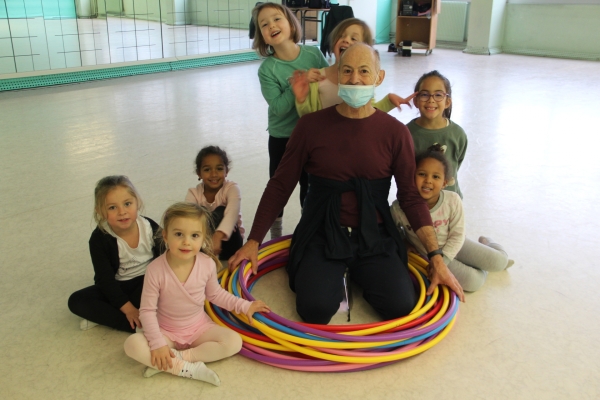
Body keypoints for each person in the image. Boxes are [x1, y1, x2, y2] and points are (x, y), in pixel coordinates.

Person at [229, 44, 464, 325]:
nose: (354, 79)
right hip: (322, 230)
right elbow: (281, 184)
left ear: (378, 77)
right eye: (347, 71)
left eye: (364, 71)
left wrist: (436, 256)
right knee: (314, 310)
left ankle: (358, 272)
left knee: (400, 306)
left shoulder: (395, 133)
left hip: (374, 233)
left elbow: (411, 198)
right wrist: (254, 240)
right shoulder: (310, 126)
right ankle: (336, 273)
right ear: (337, 75)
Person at [123, 202, 270, 386]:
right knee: (132, 345)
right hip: (166, 331)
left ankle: (174, 360)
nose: (186, 242)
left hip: (198, 328)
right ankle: (187, 369)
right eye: (178, 234)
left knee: (233, 342)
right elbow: (147, 311)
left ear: (203, 239)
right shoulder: (155, 269)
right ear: (165, 236)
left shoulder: (207, 264)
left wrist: (245, 305)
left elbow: (216, 295)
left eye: (194, 236)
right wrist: (158, 344)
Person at [391, 145, 514, 292]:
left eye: (435, 177)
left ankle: (488, 243)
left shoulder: (452, 200)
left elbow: (458, 235)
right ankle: (481, 268)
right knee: (473, 283)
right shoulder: (398, 209)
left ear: (444, 183)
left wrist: (444, 261)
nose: (428, 181)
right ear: (412, 177)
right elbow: (392, 230)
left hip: (456, 245)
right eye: (422, 174)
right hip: (428, 254)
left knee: (500, 262)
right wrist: (404, 241)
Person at [253, 2, 329, 238]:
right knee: (280, 187)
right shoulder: (268, 69)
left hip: (313, 136)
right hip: (283, 139)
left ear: (290, 23)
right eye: (264, 24)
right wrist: (298, 86)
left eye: (277, 19)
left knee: (311, 187)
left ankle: (310, 231)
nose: (272, 26)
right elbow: (277, 108)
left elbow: (329, 87)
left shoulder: (313, 54)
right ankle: (276, 233)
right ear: (262, 36)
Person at [68, 175, 161, 332]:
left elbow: (169, 257)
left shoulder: (148, 226)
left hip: (151, 282)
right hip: (120, 286)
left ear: (137, 202)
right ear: (100, 211)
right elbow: (105, 280)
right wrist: (128, 309)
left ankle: (108, 316)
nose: (122, 212)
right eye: (112, 207)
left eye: (127, 204)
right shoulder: (99, 239)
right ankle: (138, 325)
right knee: (76, 301)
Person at [291, 18, 415, 117]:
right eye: (341, 36)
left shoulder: (363, 82)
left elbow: (368, 114)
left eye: (353, 38)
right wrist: (301, 100)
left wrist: (388, 101)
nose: (345, 40)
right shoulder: (317, 77)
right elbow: (308, 118)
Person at [407, 70, 468, 198]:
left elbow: (455, 165)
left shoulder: (457, 134)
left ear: (447, 102)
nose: (431, 100)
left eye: (438, 95)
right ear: (416, 101)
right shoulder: (406, 134)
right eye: (424, 94)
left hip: (449, 204)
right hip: (416, 204)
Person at [185, 146, 244, 261]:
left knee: (221, 211)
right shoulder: (193, 193)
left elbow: (232, 214)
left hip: (231, 244)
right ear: (199, 173)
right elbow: (186, 217)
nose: (214, 174)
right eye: (207, 169)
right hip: (204, 242)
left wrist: (218, 235)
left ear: (227, 171)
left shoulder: (232, 189)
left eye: (219, 169)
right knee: (195, 214)